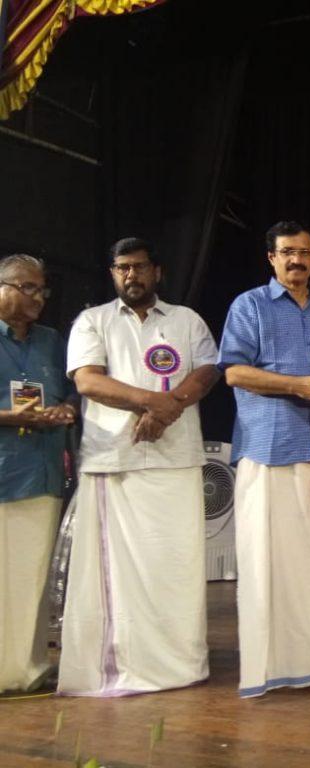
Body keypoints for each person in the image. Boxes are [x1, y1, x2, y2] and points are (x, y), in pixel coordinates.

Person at [59, 238, 219, 696]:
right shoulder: (93, 320)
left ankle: (181, 666)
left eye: (139, 266)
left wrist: (169, 408)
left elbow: (207, 371)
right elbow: (88, 381)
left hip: (176, 458)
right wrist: (154, 403)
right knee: (120, 579)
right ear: (113, 274)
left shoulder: (186, 320)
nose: (131, 275)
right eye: (122, 268)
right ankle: (120, 666)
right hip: (116, 459)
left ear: (157, 271)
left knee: (176, 569)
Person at [218, 221, 310, 697]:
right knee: (267, 562)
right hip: (269, 448)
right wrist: (297, 385)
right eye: (288, 252)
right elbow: (234, 373)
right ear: (271, 258)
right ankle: (268, 666)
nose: (298, 261)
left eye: (306, 253)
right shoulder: (249, 305)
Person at [0, 254, 76, 695]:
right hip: (4, 466)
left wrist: (66, 409)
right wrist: (12, 417)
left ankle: (27, 669)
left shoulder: (51, 340)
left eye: (41, 289)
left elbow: (72, 390)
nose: (38, 298)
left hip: (41, 471)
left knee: (31, 577)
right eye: (26, 288)